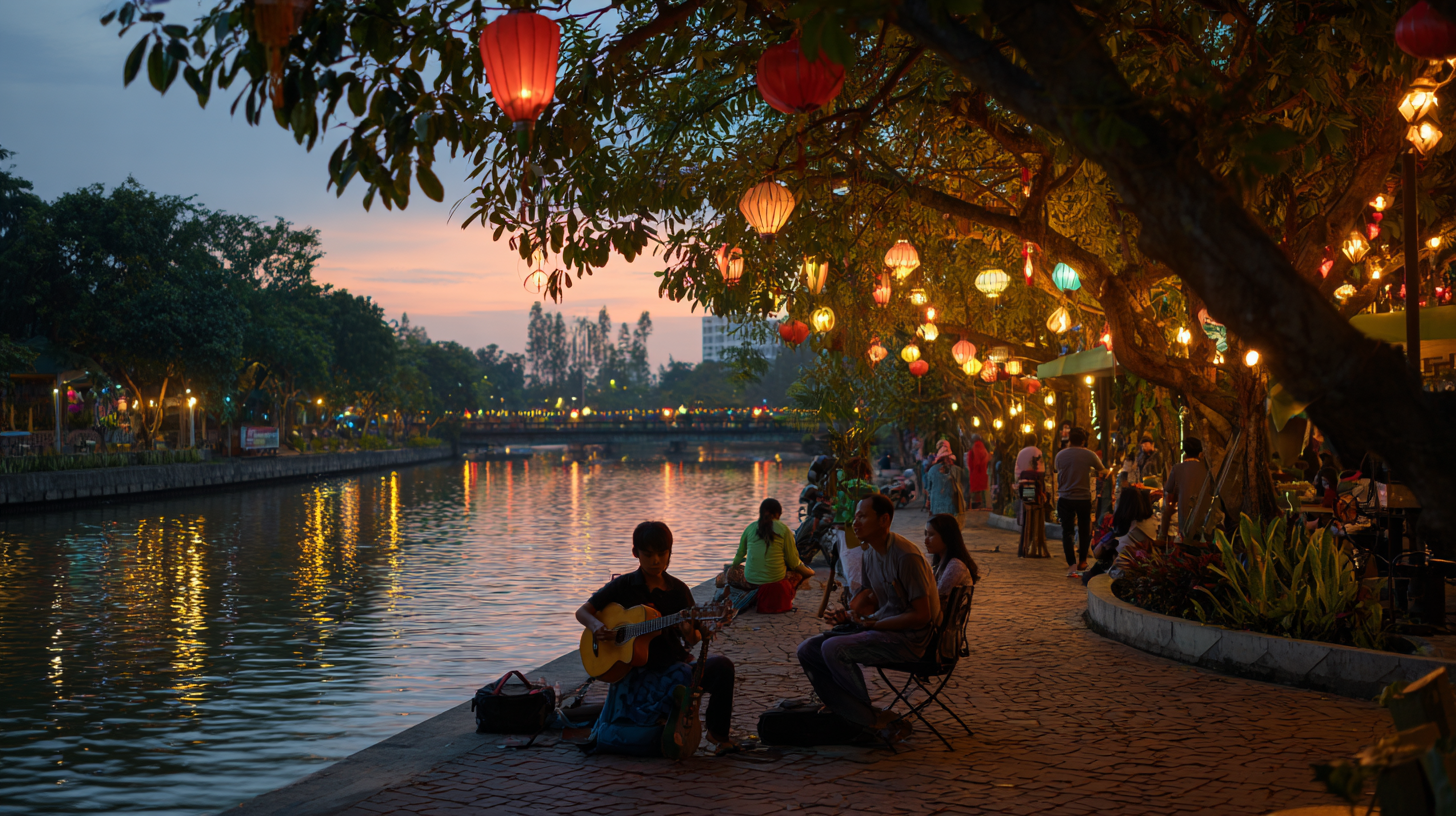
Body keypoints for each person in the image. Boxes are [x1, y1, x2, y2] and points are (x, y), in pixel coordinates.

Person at [576, 521, 741, 754]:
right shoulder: (623, 586)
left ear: (670, 552)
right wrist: (596, 626)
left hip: (673, 665)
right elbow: (583, 612)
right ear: (636, 553)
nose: (656, 561)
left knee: (722, 667)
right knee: (678, 676)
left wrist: (689, 632)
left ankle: (718, 735)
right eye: (648, 554)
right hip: (634, 672)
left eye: (662, 554)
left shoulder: (679, 590)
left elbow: (693, 638)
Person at [796, 494, 939, 742]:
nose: (855, 522)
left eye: (862, 516)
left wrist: (875, 623)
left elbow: (922, 615)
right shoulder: (870, 554)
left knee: (834, 648)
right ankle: (852, 711)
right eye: (855, 517)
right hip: (884, 631)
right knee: (807, 649)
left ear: (884, 520)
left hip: (911, 641)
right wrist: (850, 616)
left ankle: (866, 720)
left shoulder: (906, 556)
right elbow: (874, 605)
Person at [726, 498, 816, 612]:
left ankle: (754, 594)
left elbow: (739, 556)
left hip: (751, 581)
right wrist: (809, 572)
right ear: (778, 514)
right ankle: (777, 597)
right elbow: (794, 562)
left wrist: (734, 565)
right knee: (798, 575)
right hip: (775, 579)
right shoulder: (784, 529)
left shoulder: (750, 528)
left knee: (730, 573)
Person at [1053, 427, 1110, 576]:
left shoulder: (1060, 455)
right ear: (1084, 440)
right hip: (1083, 497)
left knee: (1067, 532)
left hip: (1065, 497)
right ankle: (1083, 561)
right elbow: (1102, 470)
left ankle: (1071, 564)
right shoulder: (1089, 455)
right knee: (1084, 531)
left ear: (1069, 439)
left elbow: (1057, 470)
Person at [1158, 437, 1209, 543]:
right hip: (1206, 520)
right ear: (1200, 452)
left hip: (1184, 521)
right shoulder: (1207, 469)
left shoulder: (1177, 468)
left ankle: (1162, 539)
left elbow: (1169, 492)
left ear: (1185, 452)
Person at [924, 513, 979, 600]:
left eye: (931, 535)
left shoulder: (955, 566)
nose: (926, 540)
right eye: (926, 534)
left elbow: (936, 600)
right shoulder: (941, 563)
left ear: (946, 537)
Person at [923, 440, 965, 517]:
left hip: (936, 508)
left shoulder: (932, 470)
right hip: (952, 508)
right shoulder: (957, 470)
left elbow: (928, 488)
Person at [966, 434, 990, 509]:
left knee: (976, 492)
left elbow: (976, 461)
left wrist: (974, 471)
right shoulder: (983, 447)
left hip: (976, 473)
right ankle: (982, 505)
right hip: (982, 473)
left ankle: (976, 506)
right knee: (981, 491)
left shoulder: (976, 446)